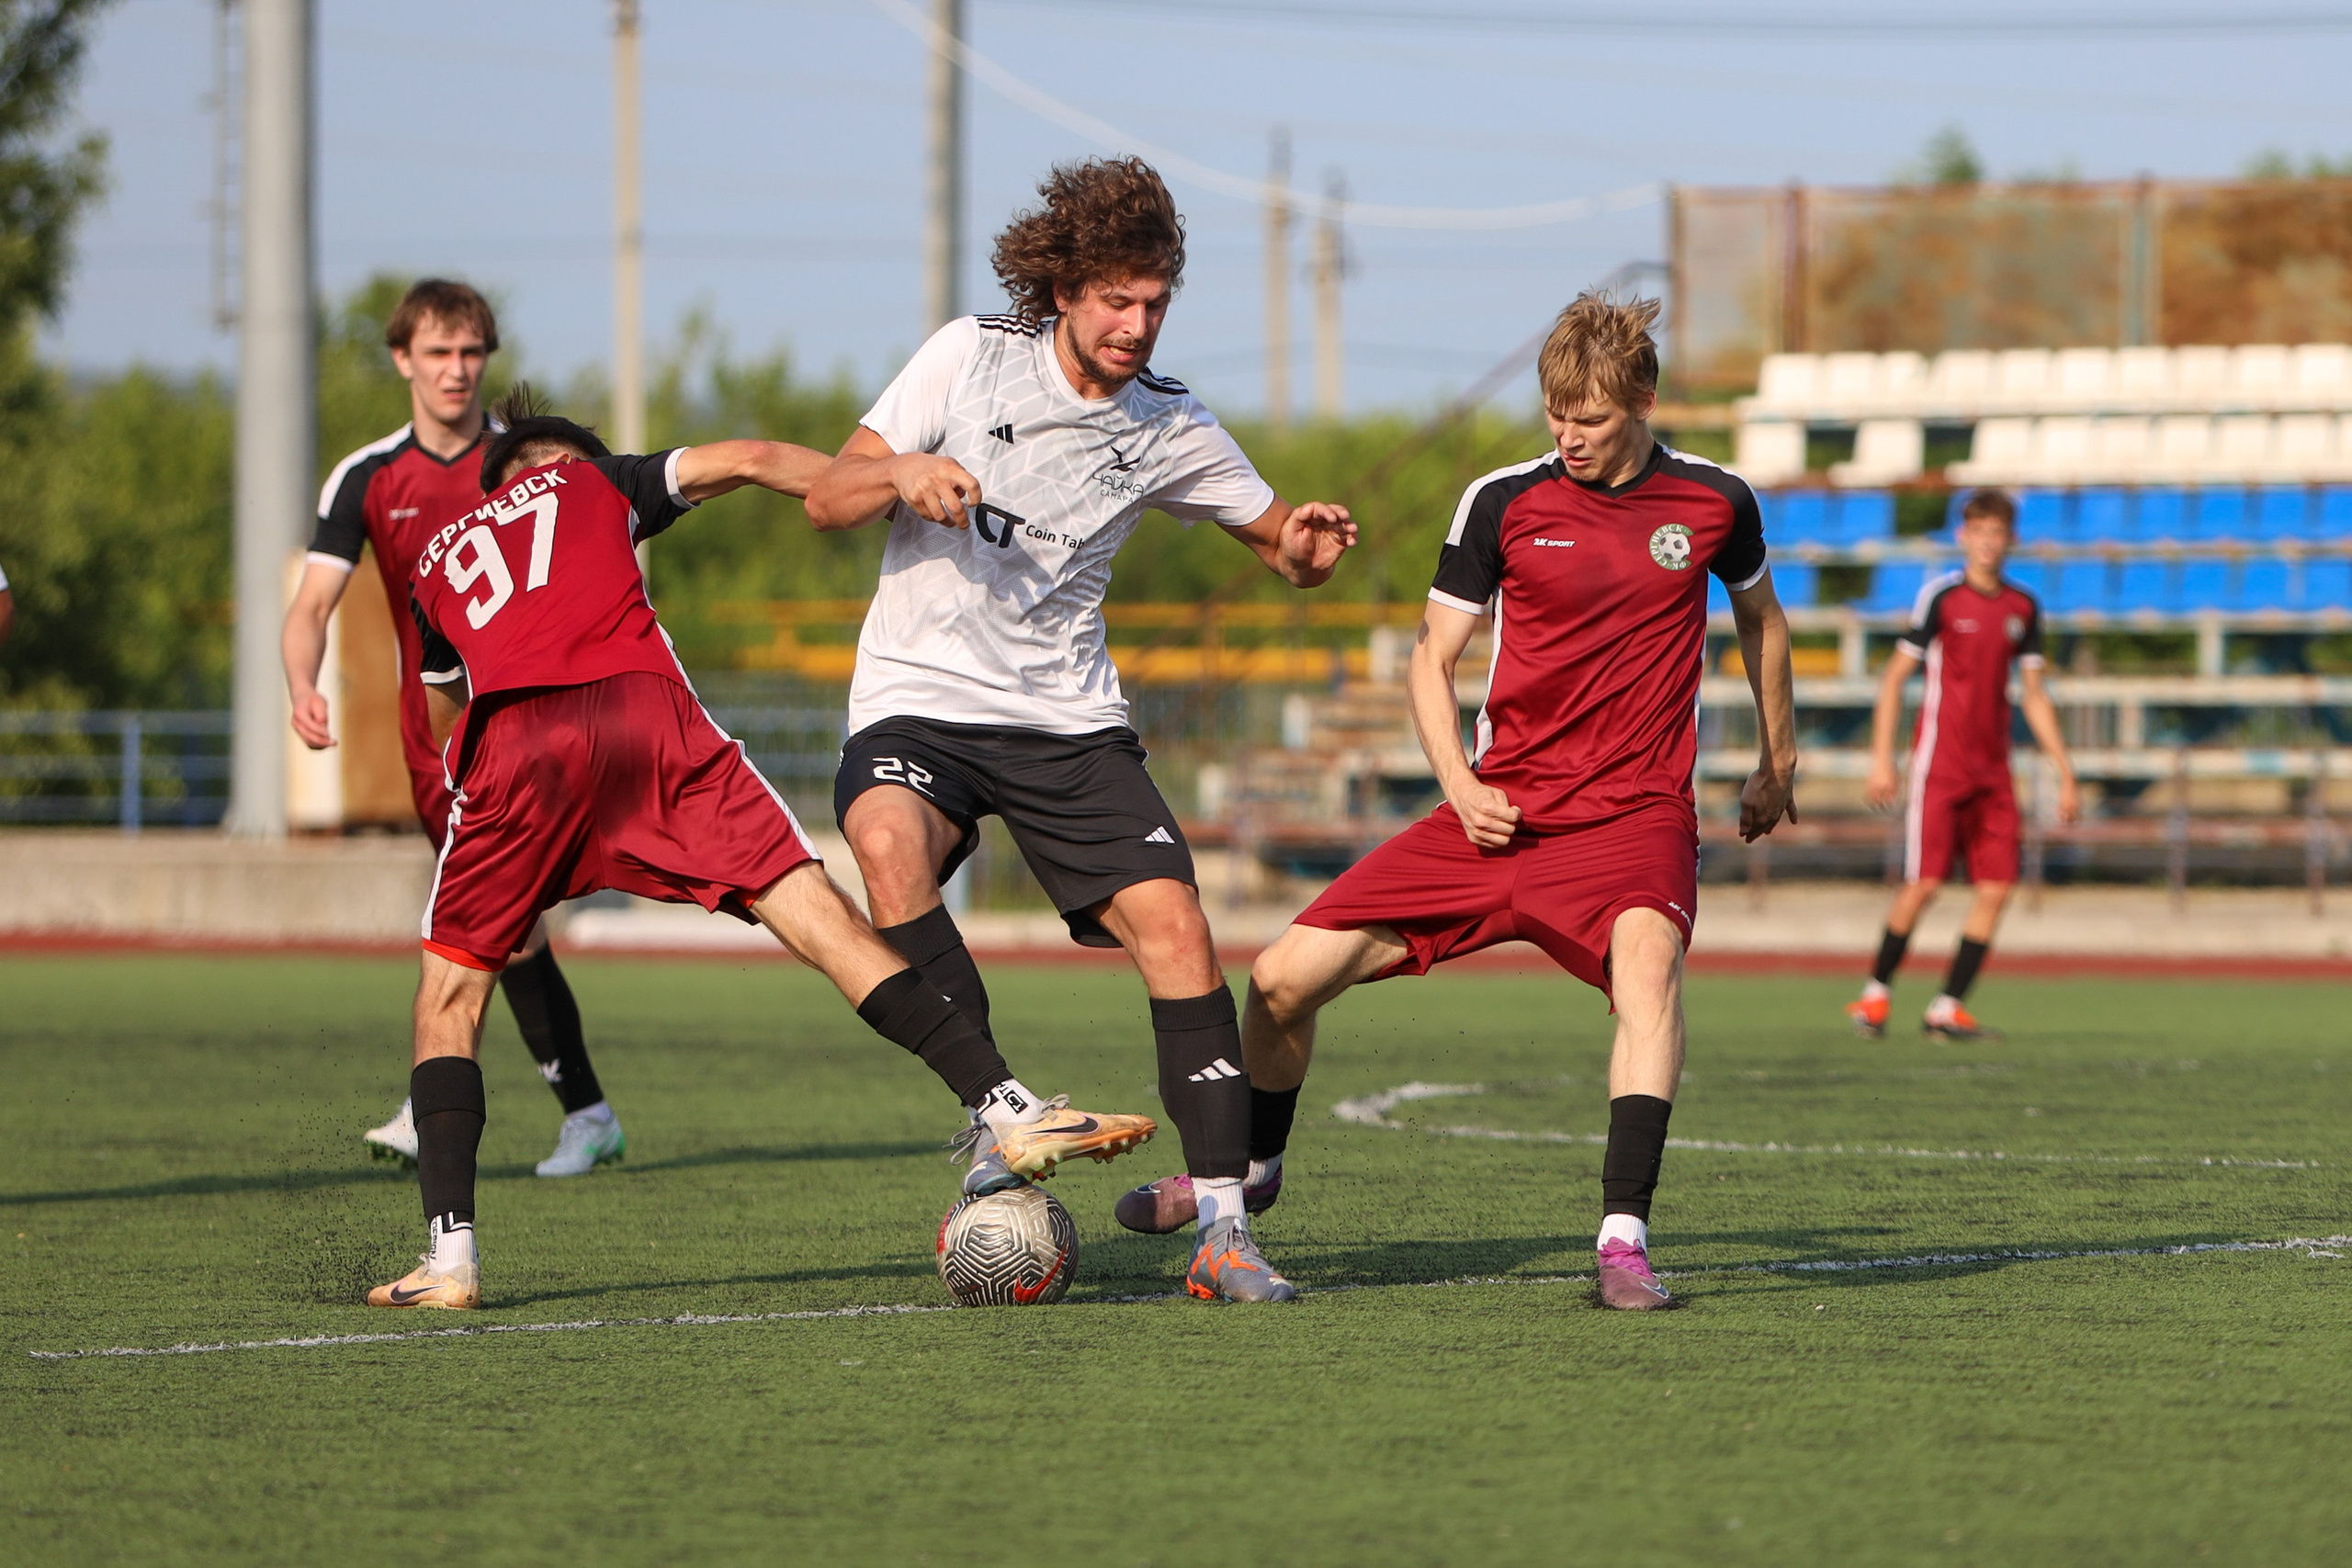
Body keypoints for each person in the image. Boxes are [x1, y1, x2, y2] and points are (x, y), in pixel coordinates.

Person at [368, 392, 1154, 1310]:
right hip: (641, 717)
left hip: (512, 748)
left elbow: (435, 706)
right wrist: (881, 477)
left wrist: (496, 780)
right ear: (567, 465)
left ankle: (449, 1261)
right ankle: (1006, 1108)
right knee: (822, 921)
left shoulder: (436, 555)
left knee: (450, 998)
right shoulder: (596, 482)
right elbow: (743, 457)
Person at [1118, 293, 1800, 1312]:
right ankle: (1254, 1169)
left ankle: (1621, 1241)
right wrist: (1460, 784)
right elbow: (1429, 662)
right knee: (1278, 983)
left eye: (1592, 418)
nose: (1567, 435)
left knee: (1648, 977)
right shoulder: (1501, 502)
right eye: (1555, 413)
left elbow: (1764, 622)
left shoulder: (1715, 502)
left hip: (1630, 821)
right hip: (1493, 818)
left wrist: (1775, 764)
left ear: (1645, 402)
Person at [803, 157, 1355, 1304]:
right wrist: (901, 472)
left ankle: (1222, 1235)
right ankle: (998, 1112)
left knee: (1179, 929)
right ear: (1062, 288)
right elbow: (826, 497)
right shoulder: (966, 354)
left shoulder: (1171, 424)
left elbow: (1280, 554)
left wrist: (1304, 542)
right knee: (886, 845)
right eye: (1115, 299)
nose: (1136, 324)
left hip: (1065, 720)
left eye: (1154, 302)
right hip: (918, 696)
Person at [285, 280, 625, 1178]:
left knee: (477, 924)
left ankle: (438, 1100)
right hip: (430, 744)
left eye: (471, 352)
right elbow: (312, 601)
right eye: (437, 353)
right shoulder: (369, 476)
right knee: (508, 934)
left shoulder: (521, 467)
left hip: (526, 734)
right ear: (402, 359)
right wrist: (299, 681)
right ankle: (585, 1110)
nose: (455, 371)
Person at [1846, 488, 2079, 1043]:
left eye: (1998, 534)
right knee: (1925, 884)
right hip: (1940, 764)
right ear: (1963, 537)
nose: (1989, 544)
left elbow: (2035, 694)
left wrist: (2064, 771)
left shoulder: (2023, 607)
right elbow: (1895, 679)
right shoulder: (1942, 599)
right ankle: (1875, 994)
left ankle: (1947, 1006)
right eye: (1979, 532)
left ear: (2011, 540)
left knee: (1997, 886)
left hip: (1994, 768)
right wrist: (1883, 760)